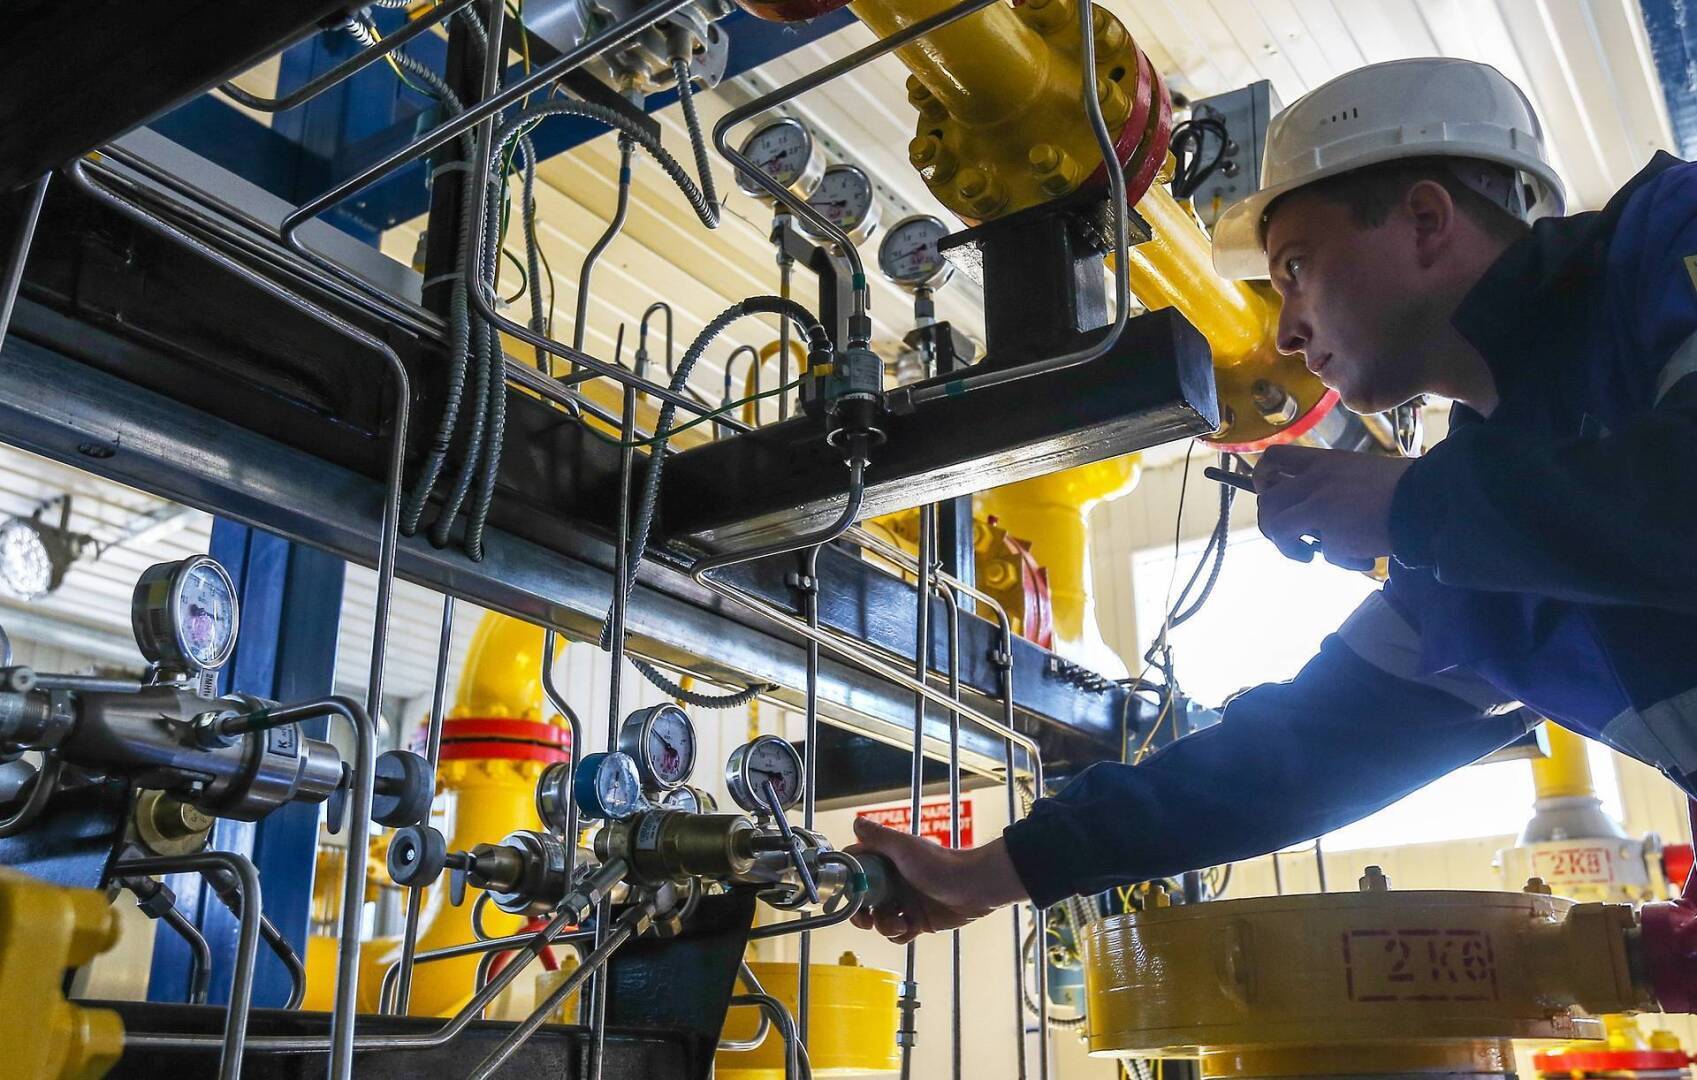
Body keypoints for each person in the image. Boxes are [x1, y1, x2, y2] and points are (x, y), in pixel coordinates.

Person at [849, 57, 1697, 944]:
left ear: (1423, 220)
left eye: (1294, 267)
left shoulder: (1666, 237)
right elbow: (1296, 755)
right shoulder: (1478, 545)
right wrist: (989, 873)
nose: (1286, 330)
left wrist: (1410, 507)